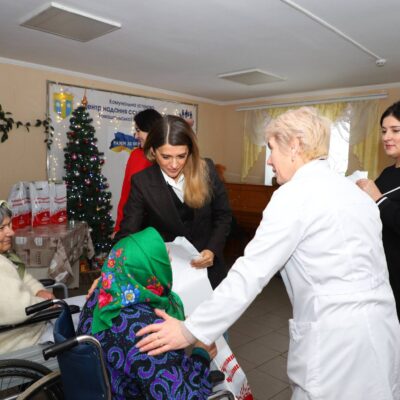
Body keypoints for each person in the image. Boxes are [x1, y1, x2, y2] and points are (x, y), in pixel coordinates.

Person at [135, 107, 400, 400]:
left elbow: (250, 274)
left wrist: (189, 331)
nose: (270, 160)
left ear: (295, 146)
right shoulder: (354, 192)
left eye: (272, 148)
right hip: (383, 329)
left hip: (335, 340)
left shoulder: (294, 195)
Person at [77, 227, 215, 399]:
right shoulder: (150, 331)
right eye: (164, 257)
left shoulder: (100, 293)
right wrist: (201, 355)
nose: (171, 260)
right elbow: (182, 396)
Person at [115, 115, 232, 289]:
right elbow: (128, 233)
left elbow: (223, 216)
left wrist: (212, 249)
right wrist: (108, 273)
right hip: (167, 273)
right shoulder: (142, 182)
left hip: (210, 271)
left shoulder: (206, 169)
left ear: (189, 151)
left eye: (181, 156)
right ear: (153, 151)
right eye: (166, 157)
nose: (174, 164)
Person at [357, 100, 400, 320]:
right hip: (381, 273)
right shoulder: (387, 173)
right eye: (384, 131)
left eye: (395, 130)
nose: (386, 137)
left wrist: (378, 198)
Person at [0, 200, 55, 353]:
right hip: (20, 342)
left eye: (9, 225)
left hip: (27, 327)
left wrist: (38, 290)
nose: (11, 232)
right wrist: (48, 303)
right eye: (2, 228)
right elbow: (20, 309)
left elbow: (23, 278)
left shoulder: (5, 257)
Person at [114, 108, 163, 235]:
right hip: (133, 227)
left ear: (151, 130)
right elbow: (126, 194)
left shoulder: (167, 158)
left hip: (160, 232)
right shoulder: (135, 155)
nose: (135, 136)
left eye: (138, 130)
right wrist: (118, 228)